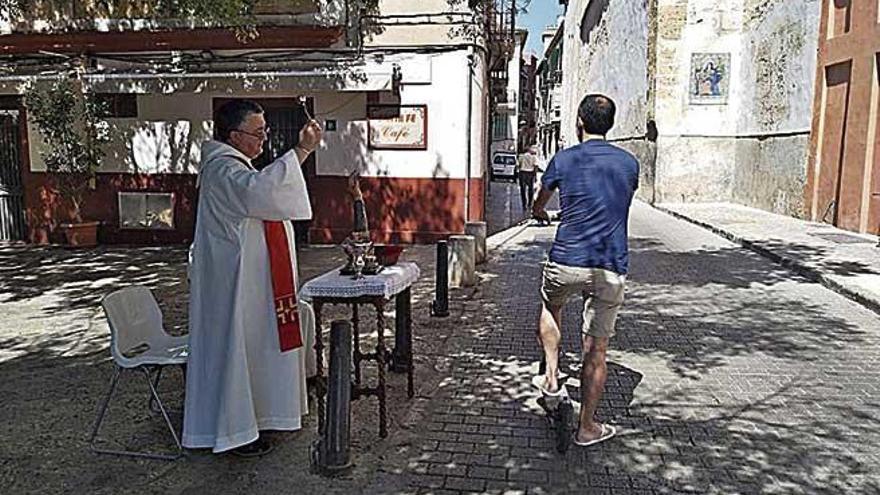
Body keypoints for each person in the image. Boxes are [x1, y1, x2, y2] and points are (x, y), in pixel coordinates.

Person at [183, 99, 322, 456]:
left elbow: (263, 192)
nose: (264, 139)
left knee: (258, 347)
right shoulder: (222, 170)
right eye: (258, 132)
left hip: (254, 286)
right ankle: (236, 430)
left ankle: (259, 417)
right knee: (240, 349)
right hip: (235, 288)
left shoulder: (237, 168)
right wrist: (302, 150)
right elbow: (259, 192)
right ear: (233, 135)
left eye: (266, 131)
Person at [531, 94, 639, 447]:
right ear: (611, 124)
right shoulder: (629, 164)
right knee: (596, 349)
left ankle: (550, 378)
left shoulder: (564, 159)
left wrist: (539, 213)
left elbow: (541, 200)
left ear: (579, 121)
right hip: (609, 266)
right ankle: (587, 426)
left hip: (566, 260)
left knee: (551, 306)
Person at [516, 145, 541, 212]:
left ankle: (524, 204)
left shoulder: (521, 156)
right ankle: (530, 204)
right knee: (531, 189)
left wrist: (518, 174)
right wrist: (535, 176)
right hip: (530, 173)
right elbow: (536, 166)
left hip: (523, 173)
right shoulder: (533, 157)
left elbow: (518, 166)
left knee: (523, 190)